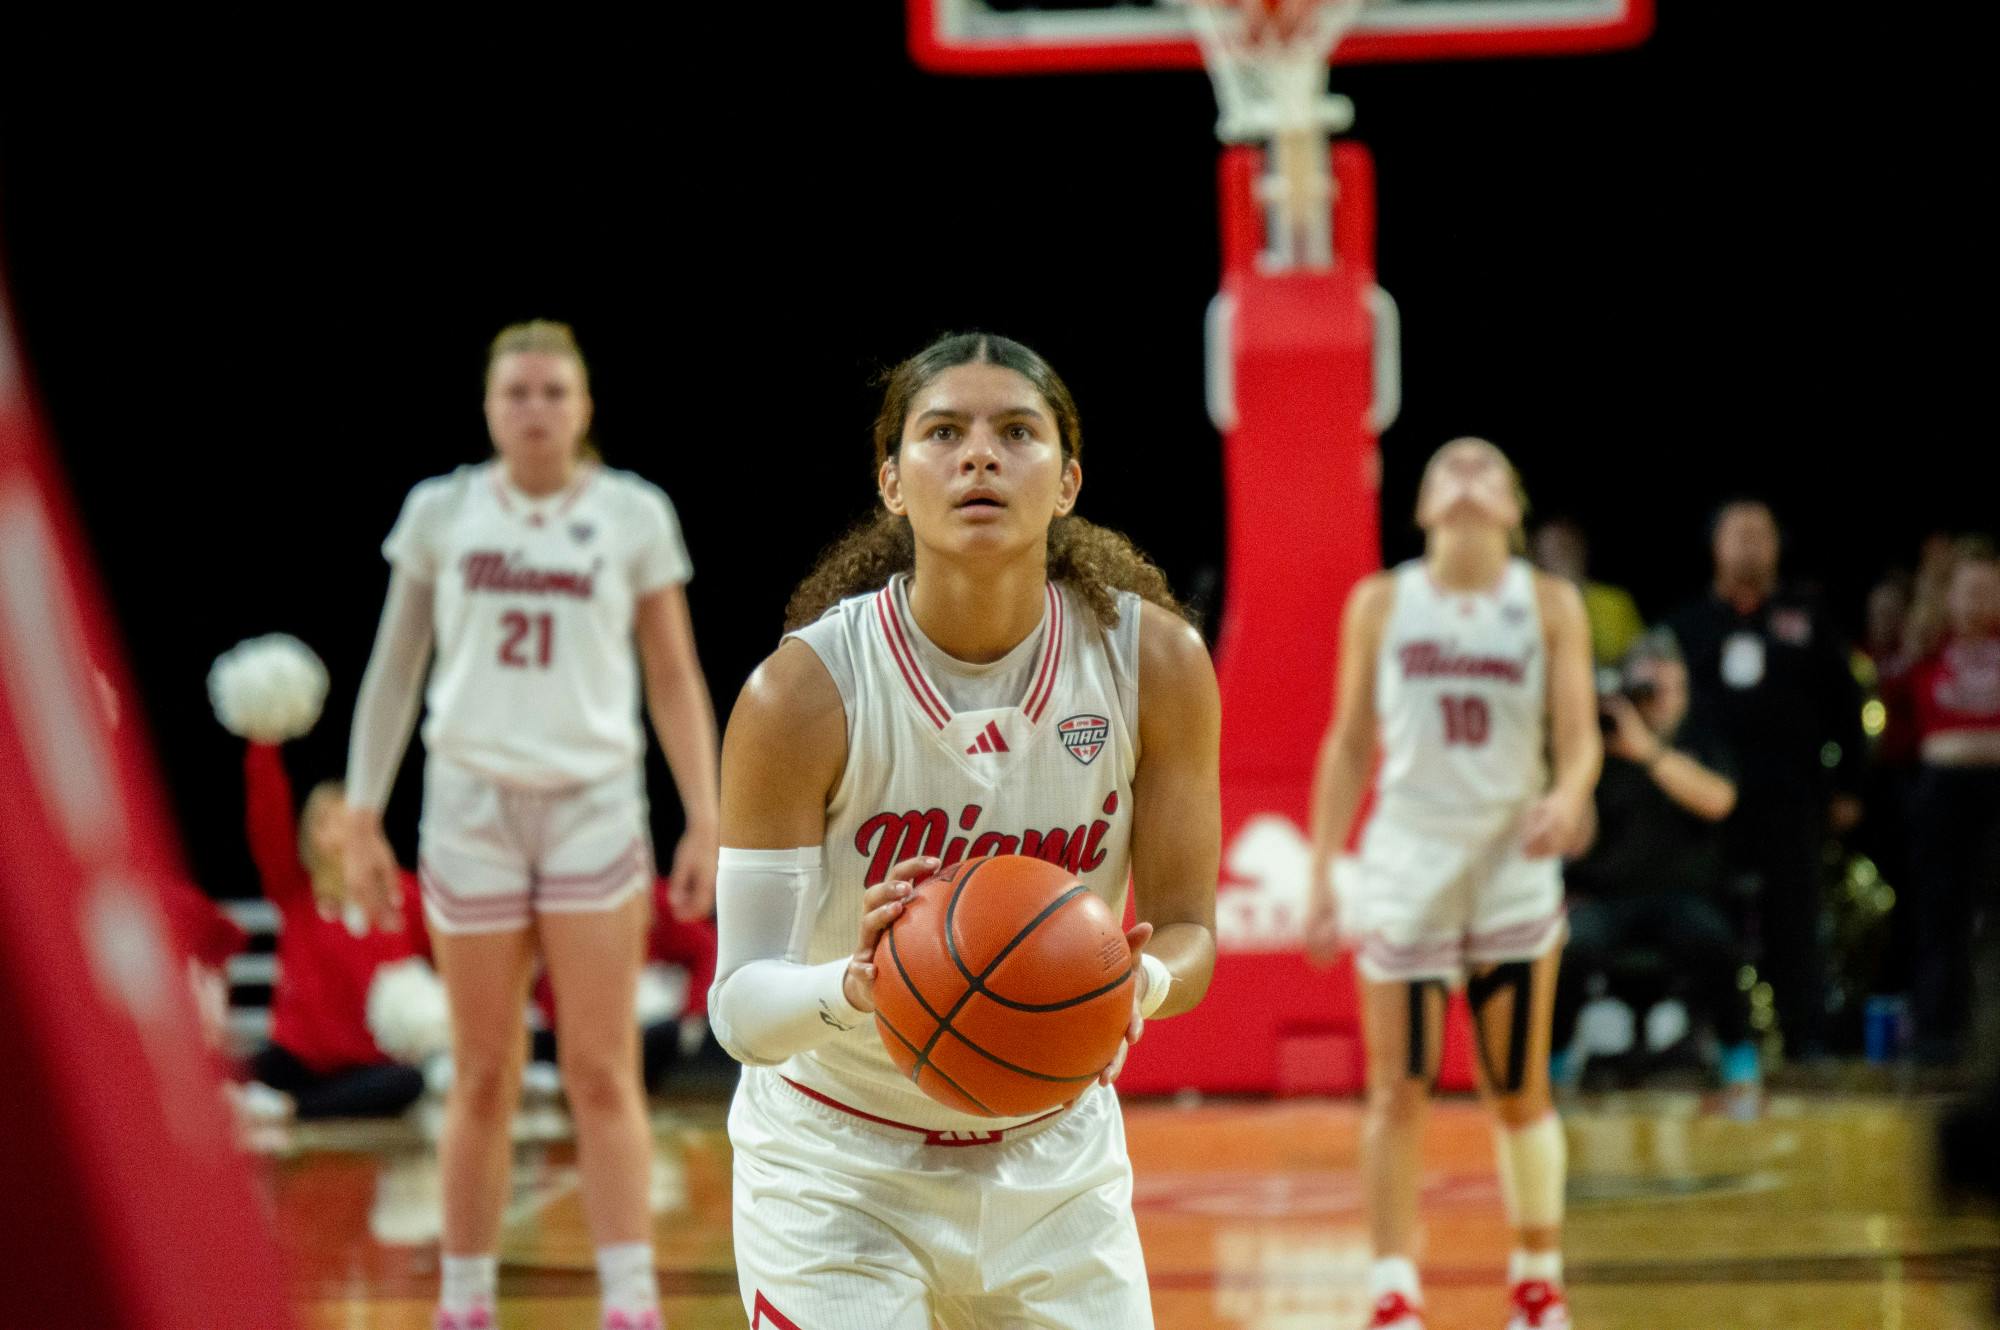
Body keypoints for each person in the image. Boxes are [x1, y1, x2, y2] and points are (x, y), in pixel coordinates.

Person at [708, 332, 1220, 1329]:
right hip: (835, 1165)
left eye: (1016, 432)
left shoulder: (1153, 663)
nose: (979, 454)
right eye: (942, 432)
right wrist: (855, 985)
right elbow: (738, 1007)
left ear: (1067, 482)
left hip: (1055, 1163)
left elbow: (1189, 931)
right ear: (891, 482)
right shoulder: (800, 694)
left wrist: (1139, 982)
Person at [342, 321, 720, 1330]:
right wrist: (363, 810)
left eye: (554, 390)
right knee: (480, 1072)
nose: (536, 407)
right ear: (488, 406)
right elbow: (394, 668)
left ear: (585, 405)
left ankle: (630, 1301)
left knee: (600, 1066)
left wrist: (706, 814)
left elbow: (673, 676)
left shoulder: (633, 513)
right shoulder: (442, 510)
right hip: (470, 805)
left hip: (592, 804)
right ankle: (464, 1300)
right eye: (517, 391)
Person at [1304, 438, 1600, 1330]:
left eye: (1488, 467)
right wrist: (1322, 872)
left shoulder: (1548, 602)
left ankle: (1537, 1281)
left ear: (1514, 509)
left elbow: (1579, 737)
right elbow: (1349, 741)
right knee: (1398, 1089)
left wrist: (1568, 795)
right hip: (1409, 857)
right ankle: (1393, 1289)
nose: (1467, 472)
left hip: (1511, 858)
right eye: (1448, 466)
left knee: (1517, 1087)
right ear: (1423, 506)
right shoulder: (1381, 600)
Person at [1665, 500, 1866, 1058]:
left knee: (1795, 919)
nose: (1750, 544)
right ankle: (1711, 1038)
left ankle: (1806, 1041)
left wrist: (1849, 786)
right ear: (1715, 545)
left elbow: (1846, 706)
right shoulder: (1686, 626)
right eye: (1739, 533)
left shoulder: (1808, 620)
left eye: (1761, 533)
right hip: (1706, 802)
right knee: (1708, 918)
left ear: (1778, 546)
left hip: (1791, 796)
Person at [1554, 630, 1755, 1087]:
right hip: (1607, 898)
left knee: (1712, 940)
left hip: (1682, 897)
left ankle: (1736, 1052)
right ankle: (1555, 1056)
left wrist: (1647, 751)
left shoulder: (1700, 736)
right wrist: (1583, 747)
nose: (1659, 698)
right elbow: (1576, 839)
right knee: (1571, 945)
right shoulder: (1600, 741)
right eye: (1647, 688)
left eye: (1668, 687)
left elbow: (1719, 800)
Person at [239, 738, 432, 1119]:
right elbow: (267, 817)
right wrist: (264, 740)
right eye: (327, 820)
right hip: (301, 1058)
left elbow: (441, 963)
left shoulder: (403, 893)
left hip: (372, 1063)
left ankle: (292, 1108)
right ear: (311, 835)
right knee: (230, 1071)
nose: (340, 828)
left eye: (348, 816)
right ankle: (293, 1102)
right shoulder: (297, 890)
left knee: (408, 1082)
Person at [1896, 554, 2000, 1062]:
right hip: (1943, 794)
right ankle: (1937, 1033)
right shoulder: (1927, 648)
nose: (1978, 600)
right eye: (1968, 589)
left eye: (1989, 589)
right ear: (1950, 597)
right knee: (1941, 914)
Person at [1530, 516, 1645, 667]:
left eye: (1566, 548)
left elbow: (1638, 657)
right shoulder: (1529, 604)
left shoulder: (1615, 602)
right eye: (1552, 552)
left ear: (1582, 550)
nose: (1561, 559)